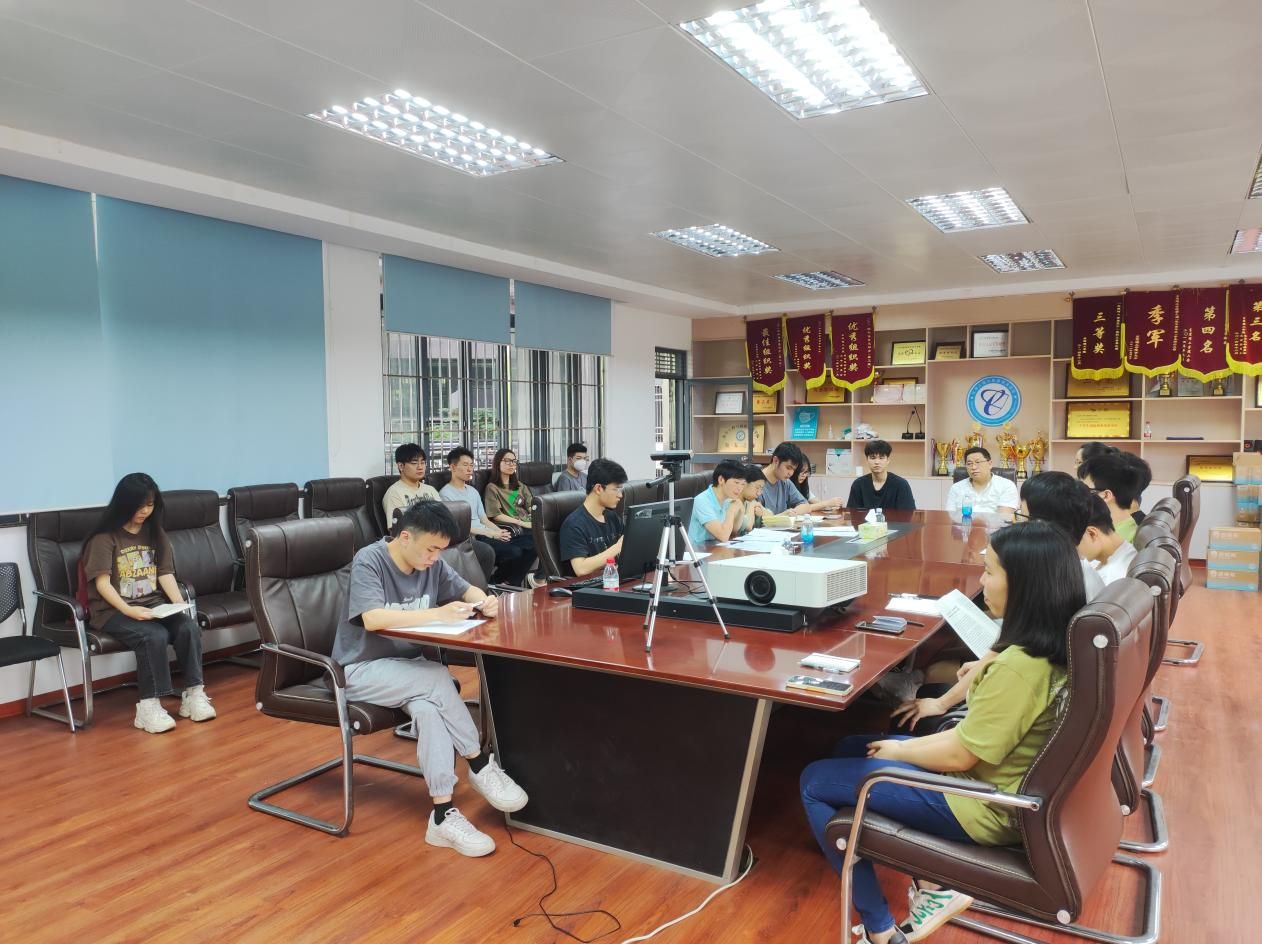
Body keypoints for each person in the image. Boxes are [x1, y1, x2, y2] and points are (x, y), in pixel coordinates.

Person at [802, 521, 1084, 944]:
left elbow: (959, 755)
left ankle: (879, 928)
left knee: (814, 781)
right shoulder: (1050, 645)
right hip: (993, 779)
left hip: (980, 803)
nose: (982, 582)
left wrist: (898, 754)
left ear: (1024, 586)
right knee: (850, 747)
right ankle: (926, 882)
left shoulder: (1019, 669)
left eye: (989, 571)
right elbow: (969, 740)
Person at [334, 500, 526, 857]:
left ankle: (442, 816)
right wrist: (438, 614)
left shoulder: (431, 563)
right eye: (431, 549)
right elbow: (372, 618)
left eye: (440, 550)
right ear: (406, 537)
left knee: (429, 710)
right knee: (438, 678)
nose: (435, 557)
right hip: (359, 671)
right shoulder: (369, 560)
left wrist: (484, 600)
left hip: (408, 672)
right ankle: (480, 763)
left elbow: (467, 589)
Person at [83, 473, 216, 734]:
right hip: (112, 611)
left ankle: (193, 694)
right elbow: (102, 585)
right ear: (124, 504)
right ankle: (148, 707)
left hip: (153, 604)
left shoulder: (155, 533)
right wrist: (129, 610)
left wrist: (179, 605)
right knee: (153, 635)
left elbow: (165, 574)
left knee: (187, 627)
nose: (145, 511)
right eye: (139, 505)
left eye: (150, 504)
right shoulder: (104, 538)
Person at [440, 447, 534, 586]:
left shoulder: (473, 491)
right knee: (514, 552)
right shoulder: (445, 494)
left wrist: (499, 532)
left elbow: (484, 519)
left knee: (533, 544)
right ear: (453, 467)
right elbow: (459, 528)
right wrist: (490, 533)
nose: (470, 469)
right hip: (475, 537)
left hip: (487, 533)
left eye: (471, 465)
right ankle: (496, 581)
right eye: (465, 465)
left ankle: (509, 583)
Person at [1018, 472, 1106, 601]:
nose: (1018, 526)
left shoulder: (1054, 582)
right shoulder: (1073, 568)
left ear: (1043, 526)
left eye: (1023, 517)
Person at [559, 458, 628, 577]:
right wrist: (617, 548)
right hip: (589, 586)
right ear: (598, 489)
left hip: (615, 580)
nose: (620, 495)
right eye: (616, 489)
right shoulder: (574, 524)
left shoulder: (613, 517)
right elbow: (580, 569)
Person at [1077, 450, 1141, 544]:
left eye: (1085, 489)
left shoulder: (1113, 542)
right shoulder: (1126, 530)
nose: (1080, 494)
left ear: (1106, 495)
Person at [760, 443, 839, 515]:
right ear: (776, 461)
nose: (791, 473)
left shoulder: (786, 483)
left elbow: (805, 505)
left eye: (793, 470)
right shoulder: (757, 482)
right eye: (788, 468)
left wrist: (793, 512)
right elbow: (759, 519)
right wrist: (783, 516)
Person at [1078, 492, 1137, 584]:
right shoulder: (1124, 552)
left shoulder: (1112, 579)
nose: (1071, 551)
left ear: (1092, 533)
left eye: (1072, 543)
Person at [944, 447, 1018, 518]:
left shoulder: (1007, 486)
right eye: (969, 464)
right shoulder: (956, 488)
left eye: (978, 462)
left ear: (990, 464)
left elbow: (1004, 518)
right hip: (964, 526)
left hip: (995, 527)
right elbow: (950, 517)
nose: (973, 467)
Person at [689, 460, 747, 546]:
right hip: (697, 550)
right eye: (736, 482)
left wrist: (741, 510)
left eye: (743, 484)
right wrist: (731, 510)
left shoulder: (727, 499)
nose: (740, 488)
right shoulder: (702, 500)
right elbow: (723, 536)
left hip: (714, 547)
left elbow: (734, 531)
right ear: (721, 480)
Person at [847, 440, 916, 511]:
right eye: (873, 458)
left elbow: (908, 514)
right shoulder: (858, 484)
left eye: (881, 458)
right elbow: (852, 513)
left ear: (888, 460)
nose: (877, 462)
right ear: (867, 460)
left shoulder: (901, 485)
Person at [383, 443, 441, 526]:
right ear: (401, 466)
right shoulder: (394, 493)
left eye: (423, 462)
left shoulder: (431, 490)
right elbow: (396, 529)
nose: (420, 467)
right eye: (414, 463)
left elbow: (443, 518)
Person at [735, 463, 769, 537]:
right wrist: (751, 505)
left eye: (761, 489)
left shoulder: (749, 500)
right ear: (744, 483)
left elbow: (771, 516)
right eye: (757, 488)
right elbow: (748, 527)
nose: (759, 493)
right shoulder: (732, 501)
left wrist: (762, 511)